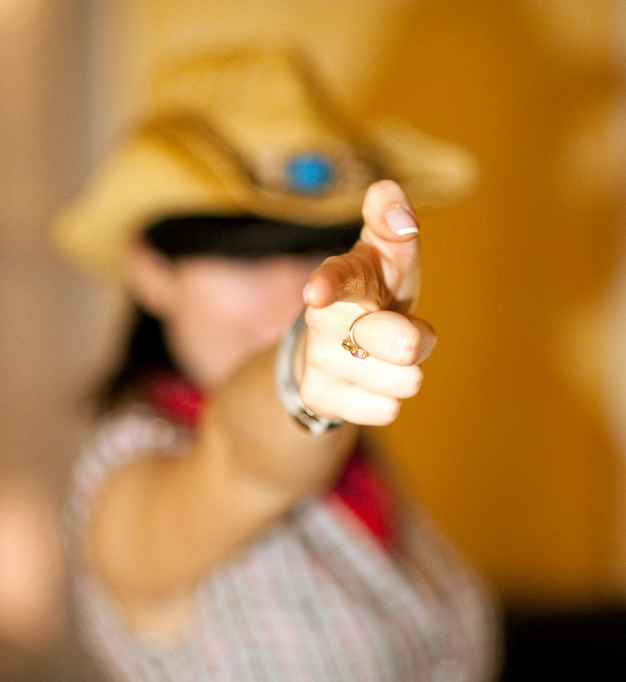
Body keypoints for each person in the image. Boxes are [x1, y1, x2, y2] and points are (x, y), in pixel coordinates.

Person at [51, 46, 499, 681]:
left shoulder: (361, 459)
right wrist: (299, 376)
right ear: (152, 270)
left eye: (318, 251)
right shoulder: (128, 475)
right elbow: (245, 459)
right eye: (247, 257)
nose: (295, 297)